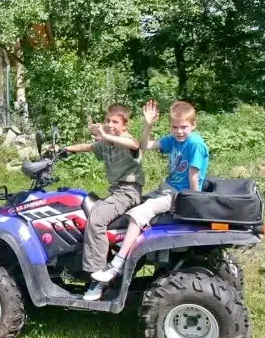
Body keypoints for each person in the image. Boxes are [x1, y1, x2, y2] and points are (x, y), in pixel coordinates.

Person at [91, 100, 209, 286]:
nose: (179, 131)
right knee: (134, 207)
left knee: (138, 214)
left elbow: (194, 177)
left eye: (184, 127)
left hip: (180, 194)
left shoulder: (194, 143)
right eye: (174, 127)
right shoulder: (174, 139)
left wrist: (195, 207)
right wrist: (148, 124)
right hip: (167, 189)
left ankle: (118, 263)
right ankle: (133, 254)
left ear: (194, 125)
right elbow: (144, 145)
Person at [62, 105, 145, 301]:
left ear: (125, 125)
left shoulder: (126, 142)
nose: (109, 125)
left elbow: (134, 144)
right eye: (107, 121)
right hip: (116, 192)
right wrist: (64, 150)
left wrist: (105, 136)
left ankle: (97, 278)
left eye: (115, 122)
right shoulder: (106, 145)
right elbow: (88, 147)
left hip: (128, 192)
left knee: (97, 219)